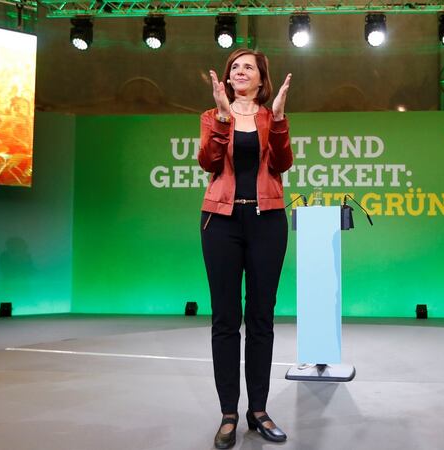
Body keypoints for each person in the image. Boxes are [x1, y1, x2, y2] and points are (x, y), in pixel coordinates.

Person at [198, 48, 293, 449]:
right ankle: (228, 414)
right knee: (224, 319)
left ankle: (258, 410)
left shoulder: (272, 117)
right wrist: (222, 117)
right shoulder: (210, 115)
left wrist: (282, 117)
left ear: (260, 79)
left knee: (260, 319)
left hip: (267, 221)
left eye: (247, 67)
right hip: (220, 222)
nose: (240, 71)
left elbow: (283, 163)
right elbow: (208, 161)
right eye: (234, 67)